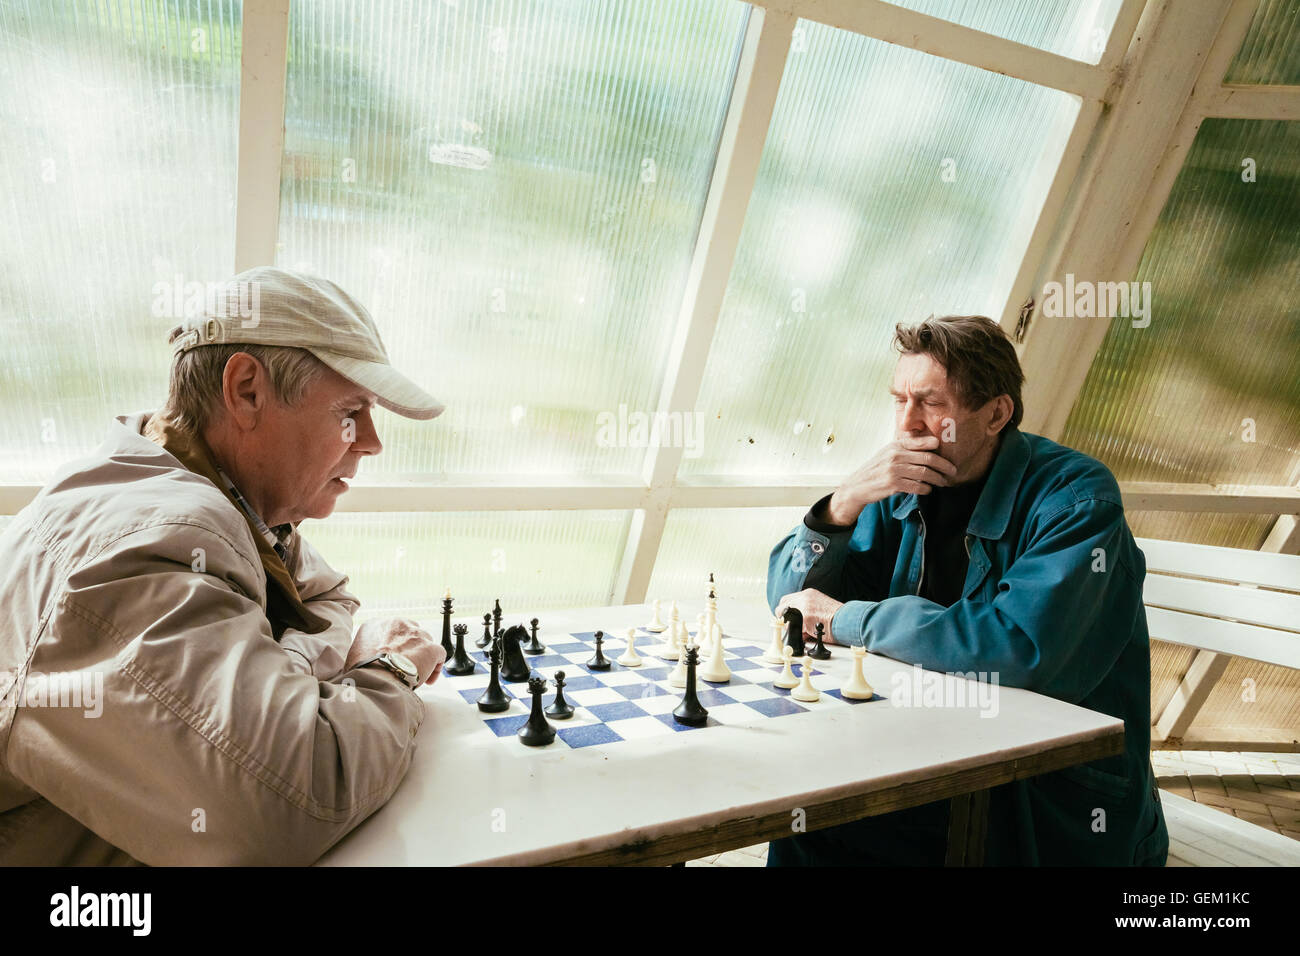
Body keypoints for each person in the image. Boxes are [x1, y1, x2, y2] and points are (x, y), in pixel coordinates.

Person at [0, 267, 447, 865]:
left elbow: (331, 600)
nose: (370, 441)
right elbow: (295, 799)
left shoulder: (219, 497)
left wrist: (281, 671)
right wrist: (388, 668)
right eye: (351, 410)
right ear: (246, 391)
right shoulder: (152, 542)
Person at [766, 314, 1168, 866]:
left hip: (1043, 797)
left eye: (929, 403)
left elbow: (1015, 647)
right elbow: (794, 609)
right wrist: (843, 504)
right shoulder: (897, 489)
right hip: (934, 750)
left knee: (835, 828)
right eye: (898, 400)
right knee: (808, 814)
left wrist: (848, 620)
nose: (906, 423)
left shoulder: (1077, 500)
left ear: (996, 413)